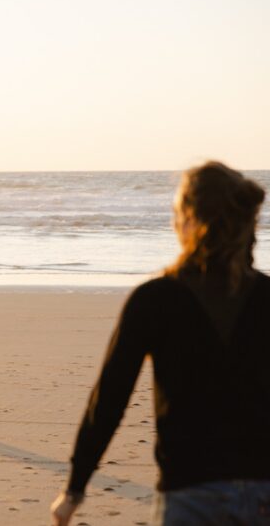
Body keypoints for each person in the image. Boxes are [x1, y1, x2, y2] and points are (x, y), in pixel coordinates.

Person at [51, 161, 270, 526]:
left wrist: (74, 489)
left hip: (189, 494)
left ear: (187, 218)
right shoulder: (266, 297)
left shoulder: (155, 299)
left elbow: (109, 399)